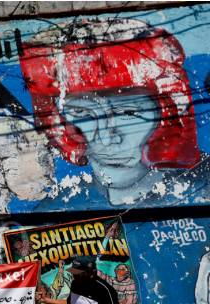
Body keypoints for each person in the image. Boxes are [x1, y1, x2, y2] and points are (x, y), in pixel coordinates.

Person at [20, 18, 201, 206]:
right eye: (82, 113)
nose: (106, 139)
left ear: (165, 113)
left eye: (129, 112)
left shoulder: (204, 191)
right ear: (59, 122)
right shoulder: (57, 210)